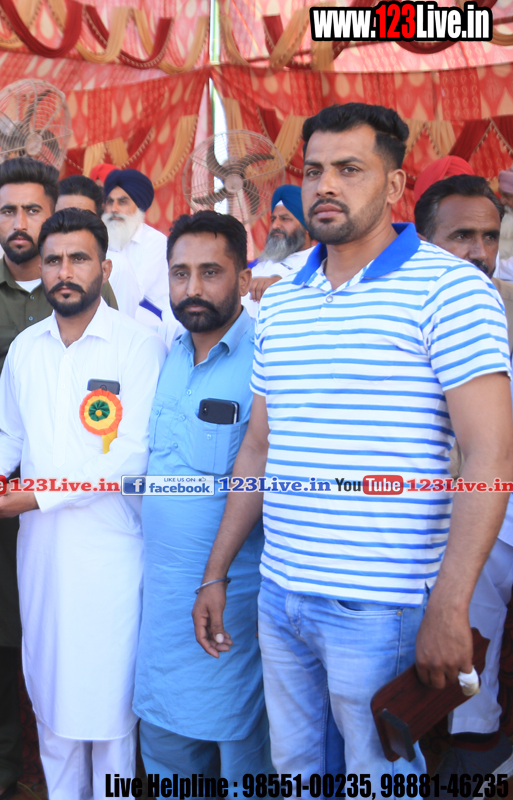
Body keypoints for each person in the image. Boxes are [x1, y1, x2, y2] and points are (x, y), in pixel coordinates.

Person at [192, 103, 513, 781]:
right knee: (296, 769)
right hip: (281, 593)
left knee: (377, 778)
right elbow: (258, 448)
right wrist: (217, 570)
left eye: (349, 169)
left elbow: (490, 455)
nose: (326, 185)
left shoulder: (452, 290)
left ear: (394, 186)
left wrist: (451, 603)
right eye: (314, 171)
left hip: (382, 605)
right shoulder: (281, 301)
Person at [0, 208, 165, 800]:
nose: (64, 271)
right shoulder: (27, 348)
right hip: (41, 552)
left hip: (111, 553)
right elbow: (12, 438)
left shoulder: (138, 346)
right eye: (53, 260)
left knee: (109, 711)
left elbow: (131, 457)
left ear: (105, 268)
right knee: (51, 697)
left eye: (79, 258)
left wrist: (35, 495)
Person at [0, 159, 117, 800]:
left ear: (54, 214)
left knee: (81, 636)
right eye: (8, 211)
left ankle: (86, 766)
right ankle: (0, 766)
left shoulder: (97, 299)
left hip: (81, 510)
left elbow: (114, 422)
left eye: (33, 210)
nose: (20, 222)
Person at [134, 211, 272, 778]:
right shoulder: (166, 353)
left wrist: (215, 578)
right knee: (166, 752)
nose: (192, 288)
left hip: (230, 600)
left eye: (210, 272)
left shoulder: (266, 356)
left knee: (242, 757)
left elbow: (258, 475)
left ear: (244, 278)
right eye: (180, 273)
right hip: (161, 604)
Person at [413, 173, 513, 775]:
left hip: (495, 502)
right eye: (461, 237)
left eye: (490, 236)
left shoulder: (507, 303)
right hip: (452, 513)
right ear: (424, 241)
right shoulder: (398, 308)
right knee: (469, 645)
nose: (478, 251)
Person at [101, 167, 175, 333]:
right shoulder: (102, 240)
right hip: (107, 310)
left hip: (149, 316)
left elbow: (134, 292)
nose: (114, 209)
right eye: (110, 202)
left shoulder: (155, 242)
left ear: (138, 207)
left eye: (122, 202)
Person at [58, 173, 141, 318]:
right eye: (63, 217)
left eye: (83, 218)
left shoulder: (118, 267)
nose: (72, 226)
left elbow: (123, 324)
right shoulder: (39, 264)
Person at [241, 185, 315, 318]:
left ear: (306, 226)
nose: (275, 225)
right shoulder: (258, 264)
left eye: (285, 219)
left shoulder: (318, 260)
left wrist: (282, 285)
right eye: (273, 219)